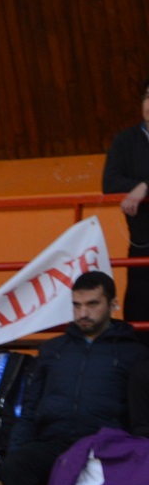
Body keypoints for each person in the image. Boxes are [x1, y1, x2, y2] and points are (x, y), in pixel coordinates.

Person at [0, 272, 147, 485]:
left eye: (92, 304)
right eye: (76, 305)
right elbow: (30, 408)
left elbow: (139, 415)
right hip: (55, 444)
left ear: (113, 304)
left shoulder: (134, 353)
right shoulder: (53, 349)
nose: (83, 313)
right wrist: (14, 451)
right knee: (14, 466)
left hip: (104, 450)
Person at [103, 82, 149, 322]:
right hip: (142, 242)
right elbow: (110, 182)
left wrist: (145, 186)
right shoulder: (125, 140)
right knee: (138, 313)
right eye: (148, 96)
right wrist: (139, 185)